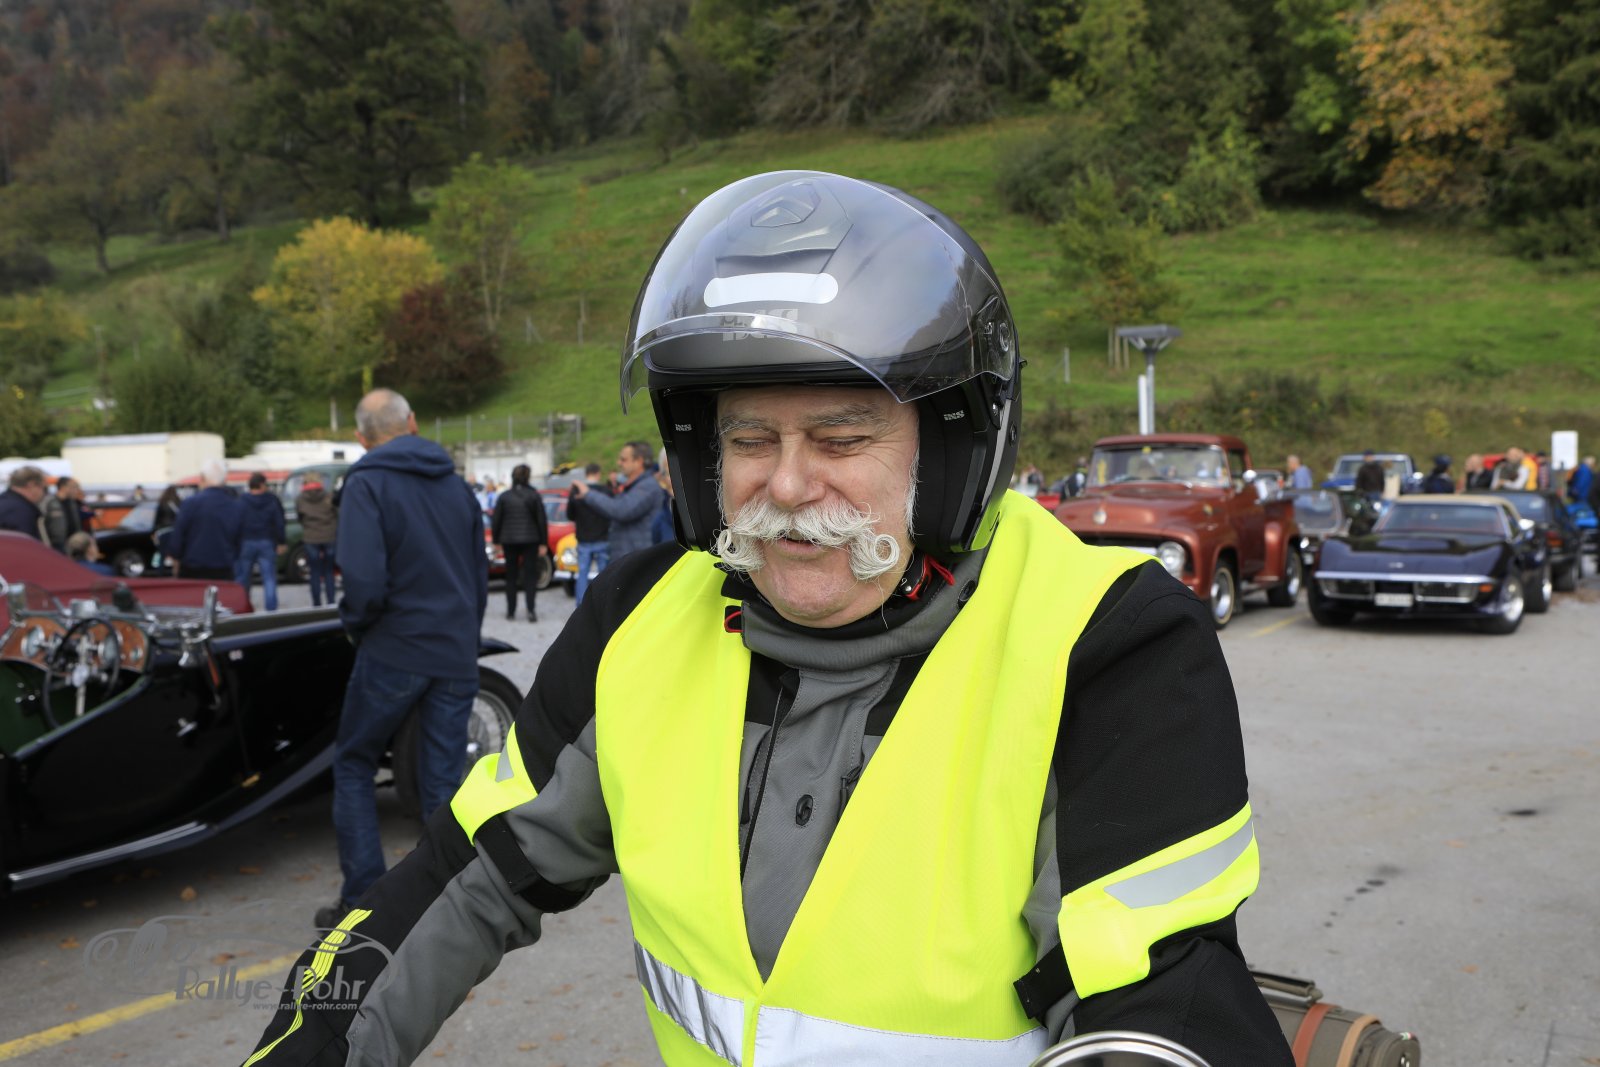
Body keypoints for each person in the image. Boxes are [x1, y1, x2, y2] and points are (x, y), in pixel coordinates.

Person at [244, 171, 1290, 1067]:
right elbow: (457, 882)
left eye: (841, 438)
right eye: (749, 439)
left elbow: (1161, 1000)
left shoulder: (1105, 644)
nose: (786, 486)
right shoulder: (640, 621)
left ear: (951, 451)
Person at [319, 388, 487, 929]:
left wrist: (356, 626)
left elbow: (363, 583)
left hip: (395, 647)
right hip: (455, 649)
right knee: (442, 779)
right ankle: (443, 901)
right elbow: (478, 575)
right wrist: (465, 636)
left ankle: (361, 903)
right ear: (412, 422)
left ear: (359, 437)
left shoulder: (365, 483)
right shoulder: (456, 486)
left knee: (354, 764)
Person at [570, 439, 667, 564]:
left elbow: (621, 510)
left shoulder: (648, 486)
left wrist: (588, 493)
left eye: (623, 459)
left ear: (638, 461)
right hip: (631, 559)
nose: (619, 463)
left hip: (637, 562)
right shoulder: (635, 486)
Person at [164, 460, 242, 582]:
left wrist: (175, 557)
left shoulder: (190, 504)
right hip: (224, 568)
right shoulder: (235, 506)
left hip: (192, 569)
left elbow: (178, 537)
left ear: (202, 478)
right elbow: (240, 539)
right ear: (224, 481)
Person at [490, 464, 549, 622]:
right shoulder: (533, 495)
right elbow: (541, 520)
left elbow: (496, 520)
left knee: (511, 576)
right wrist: (543, 542)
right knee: (530, 575)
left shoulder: (504, 496)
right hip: (530, 539)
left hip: (509, 539)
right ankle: (531, 610)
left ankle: (511, 611)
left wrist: (496, 540)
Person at [236, 471, 287, 611]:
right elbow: (279, 522)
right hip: (267, 541)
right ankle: (271, 610)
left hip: (246, 542)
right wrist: (281, 541)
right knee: (269, 578)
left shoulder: (242, 501)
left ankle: (243, 607)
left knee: (244, 578)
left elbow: (236, 522)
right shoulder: (272, 500)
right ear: (262, 485)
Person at [567, 462, 612, 603]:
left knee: (582, 573)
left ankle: (580, 605)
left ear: (586, 474)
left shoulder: (575, 492)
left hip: (584, 539)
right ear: (598, 474)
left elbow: (570, 515)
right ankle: (604, 603)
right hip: (603, 538)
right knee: (604, 574)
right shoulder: (605, 491)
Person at [294, 475, 339, 607]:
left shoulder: (300, 499)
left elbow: (300, 517)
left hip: (311, 537)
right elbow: (336, 514)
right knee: (329, 571)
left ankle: (317, 604)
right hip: (329, 536)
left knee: (315, 572)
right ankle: (331, 602)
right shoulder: (328, 496)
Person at [0, 466, 48, 541]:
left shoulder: (5, 501)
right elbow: (24, 545)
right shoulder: (21, 511)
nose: (44, 493)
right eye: (44, 488)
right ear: (31, 485)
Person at [42, 477, 89, 551]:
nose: (76, 490)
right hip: (56, 547)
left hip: (73, 545)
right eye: (73, 487)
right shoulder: (50, 503)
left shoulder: (72, 503)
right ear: (63, 487)